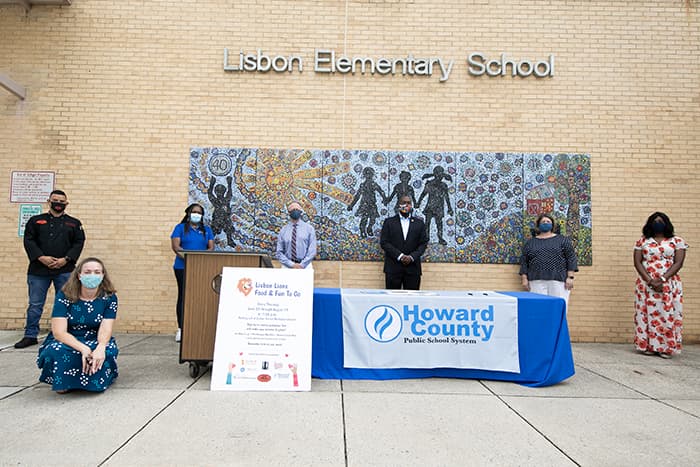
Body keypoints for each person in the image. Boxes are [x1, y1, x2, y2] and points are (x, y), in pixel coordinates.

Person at [36, 257, 118, 393]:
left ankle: (92, 379)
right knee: (57, 351)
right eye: (88, 272)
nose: (92, 275)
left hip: (94, 337)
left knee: (105, 352)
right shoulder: (64, 295)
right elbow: (59, 332)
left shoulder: (109, 298)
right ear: (79, 275)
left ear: (103, 275)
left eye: (97, 272)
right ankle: (63, 381)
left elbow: (106, 327)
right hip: (67, 339)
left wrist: (100, 347)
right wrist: (82, 348)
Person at [15, 190, 85, 349]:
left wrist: (65, 259)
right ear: (49, 201)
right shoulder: (36, 221)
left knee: (65, 302)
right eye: (56, 200)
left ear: (66, 204)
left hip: (65, 269)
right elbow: (29, 241)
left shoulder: (74, 223)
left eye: (62, 201)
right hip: (38, 270)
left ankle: (62, 334)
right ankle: (30, 335)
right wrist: (41, 257)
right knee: (35, 304)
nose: (58, 204)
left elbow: (78, 243)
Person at [633, 212, 688, 358]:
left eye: (661, 221)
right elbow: (637, 262)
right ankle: (649, 346)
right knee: (647, 314)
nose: (658, 223)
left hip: (669, 283)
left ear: (667, 223)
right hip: (646, 284)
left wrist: (663, 279)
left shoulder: (677, 241)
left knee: (667, 313)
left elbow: (678, 262)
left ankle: (665, 348)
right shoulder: (642, 241)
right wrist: (649, 280)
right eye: (655, 221)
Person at [171, 203, 214, 342]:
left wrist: (198, 260)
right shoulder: (180, 228)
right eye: (194, 212)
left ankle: (196, 327)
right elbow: (176, 247)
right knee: (183, 296)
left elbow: (211, 247)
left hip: (200, 268)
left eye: (199, 212)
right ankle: (181, 329)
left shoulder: (206, 230)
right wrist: (189, 258)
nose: (197, 214)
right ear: (188, 213)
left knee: (199, 296)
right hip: (182, 267)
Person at [519, 213, 578, 307]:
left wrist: (570, 277)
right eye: (543, 222)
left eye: (548, 221)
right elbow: (524, 261)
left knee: (557, 308)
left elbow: (571, 257)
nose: (545, 223)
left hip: (558, 280)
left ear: (552, 225)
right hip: (536, 281)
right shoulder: (530, 243)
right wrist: (524, 279)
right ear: (538, 225)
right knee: (538, 308)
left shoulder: (562, 240)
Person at [379, 195, 429, 290]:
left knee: (412, 300)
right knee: (393, 299)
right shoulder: (389, 222)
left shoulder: (419, 223)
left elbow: (423, 244)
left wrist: (411, 257)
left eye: (408, 203)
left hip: (413, 269)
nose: (406, 205)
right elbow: (384, 242)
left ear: (412, 205)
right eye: (403, 203)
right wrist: (400, 256)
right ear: (399, 205)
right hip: (393, 268)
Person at [276, 201, 317, 269]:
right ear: (289, 212)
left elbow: (312, 250)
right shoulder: (283, 230)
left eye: (297, 209)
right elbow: (279, 252)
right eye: (292, 209)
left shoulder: (309, 229)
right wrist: (291, 264)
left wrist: (302, 264)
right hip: (287, 266)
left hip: (305, 266)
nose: (295, 211)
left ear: (301, 211)